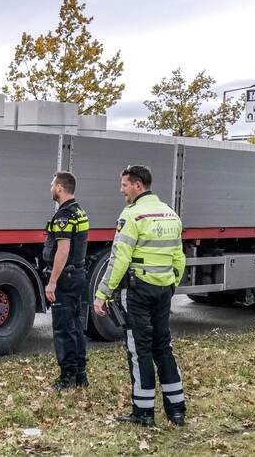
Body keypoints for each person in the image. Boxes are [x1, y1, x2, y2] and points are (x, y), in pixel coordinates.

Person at [93, 164, 187, 427]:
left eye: (124, 185)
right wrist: (170, 285)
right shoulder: (171, 214)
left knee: (139, 349)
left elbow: (119, 260)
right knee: (163, 347)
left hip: (138, 291)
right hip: (163, 290)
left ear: (138, 185)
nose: (121, 190)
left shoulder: (132, 215)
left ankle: (143, 412)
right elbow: (179, 257)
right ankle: (177, 410)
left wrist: (102, 293)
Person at [43, 170, 90, 390]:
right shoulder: (79, 211)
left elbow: (63, 250)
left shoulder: (64, 216)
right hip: (77, 274)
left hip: (66, 278)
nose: (51, 188)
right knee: (75, 326)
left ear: (60, 188)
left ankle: (67, 377)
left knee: (63, 329)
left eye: (53, 184)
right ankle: (80, 374)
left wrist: (52, 282)